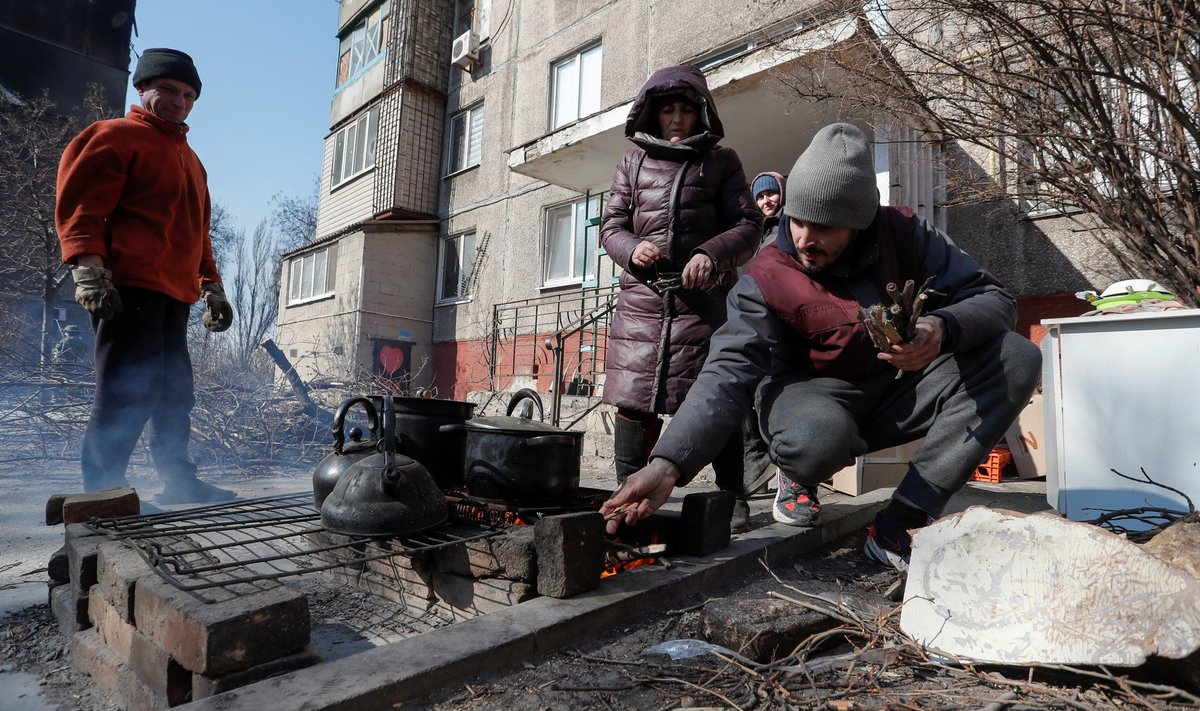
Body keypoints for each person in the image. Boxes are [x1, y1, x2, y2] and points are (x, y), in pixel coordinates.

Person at [601, 123, 1042, 570]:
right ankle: (797, 475)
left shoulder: (905, 232)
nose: (806, 239)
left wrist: (942, 328)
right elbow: (727, 372)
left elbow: (995, 300)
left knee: (1016, 356)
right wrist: (667, 465)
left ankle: (903, 519)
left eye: (826, 226)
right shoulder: (768, 272)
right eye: (798, 220)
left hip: (898, 385)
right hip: (809, 393)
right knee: (816, 439)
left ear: (860, 222)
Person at [55, 48, 236, 503]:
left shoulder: (192, 162)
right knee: (125, 392)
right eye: (170, 90)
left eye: (190, 95)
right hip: (127, 289)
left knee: (174, 394)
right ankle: (101, 493)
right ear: (144, 89)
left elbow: (198, 232)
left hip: (176, 295)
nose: (180, 101)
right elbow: (82, 208)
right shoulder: (113, 136)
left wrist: (210, 286)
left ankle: (178, 480)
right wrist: (89, 270)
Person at [600, 65, 762, 531]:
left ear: (701, 113)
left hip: (703, 306)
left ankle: (733, 498)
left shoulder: (721, 161)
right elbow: (611, 227)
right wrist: (632, 248)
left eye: (684, 110)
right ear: (652, 112)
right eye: (667, 109)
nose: (675, 118)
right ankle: (628, 503)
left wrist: (711, 254)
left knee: (716, 399)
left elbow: (749, 226)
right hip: (641, 305)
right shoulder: (631, 162)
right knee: (634, 403)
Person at [740, 172, 789, 501]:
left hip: (784, 323)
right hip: (754, 320)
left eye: (771, 194)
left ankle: (783, 465)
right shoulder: (754, 234)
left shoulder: (790, 228)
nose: (766, 201)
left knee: (772, 393)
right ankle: (756, 459)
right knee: (743, 388)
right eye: (760, 197)